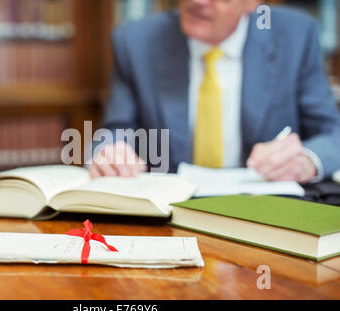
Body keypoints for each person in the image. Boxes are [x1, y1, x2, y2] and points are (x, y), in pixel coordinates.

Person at [88, 0, 340, 183]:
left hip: (263, 213)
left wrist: (307, 160)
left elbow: (333, 134)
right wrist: (108, 151)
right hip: (169, 214)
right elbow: (115, 129)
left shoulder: (296, 36)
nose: (198, 2)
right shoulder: (135, 41)